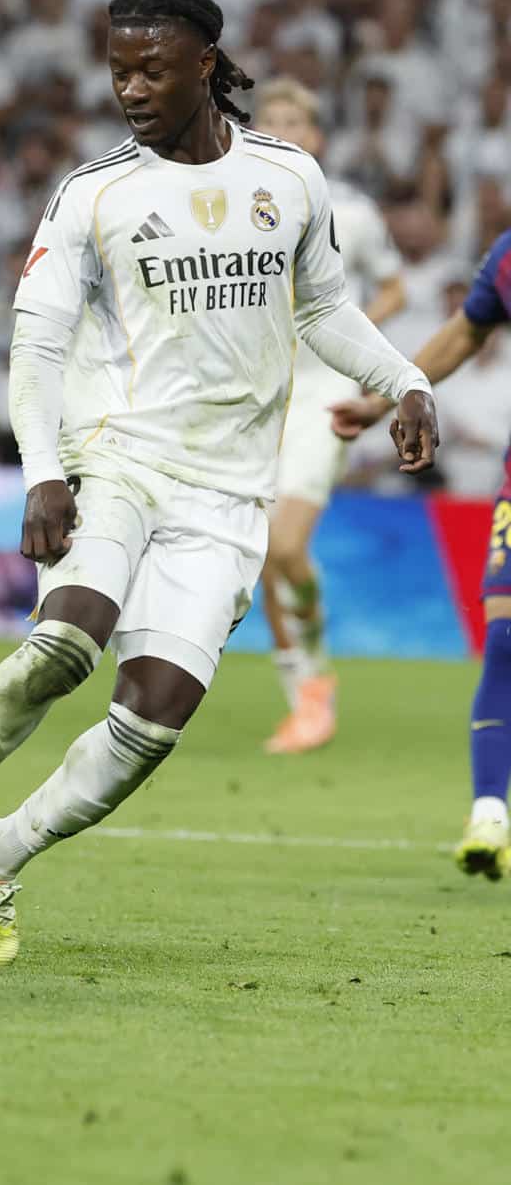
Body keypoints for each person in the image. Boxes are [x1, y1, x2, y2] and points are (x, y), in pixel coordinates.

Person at [0, 0, 437, 967]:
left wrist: (403, 379)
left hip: (230, 493)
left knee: (150, 721)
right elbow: (38, 346)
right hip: (117, 457)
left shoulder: (290, 179)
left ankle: (1, 850)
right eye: (117, 70)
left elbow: (323, 309)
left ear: (207, 63)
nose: (132, 88)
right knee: (65, 643)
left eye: (152, 68)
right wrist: (41, 472)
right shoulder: (94, 193)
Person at [333, 225, 511, 881]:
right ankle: (489, 810)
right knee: (505, 639)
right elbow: (465, 333)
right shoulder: (507, 255)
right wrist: (386, 397)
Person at [251, 78, 408, 754]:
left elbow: (398, 286)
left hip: (325, 391)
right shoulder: (235, 210)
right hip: (256, 393)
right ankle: (305, 695)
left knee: (287, 545)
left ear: (315, 137)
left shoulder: (353, 213)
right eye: (271, 121)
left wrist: (347, 333)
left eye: (295, 121)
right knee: (258, 552)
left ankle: (316, 671)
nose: (283, 131)